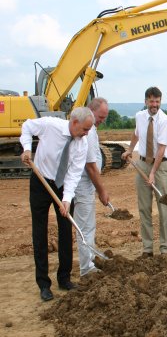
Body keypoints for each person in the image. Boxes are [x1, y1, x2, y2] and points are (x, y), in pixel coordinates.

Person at [20, 107, 94, 301]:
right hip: (40, 180)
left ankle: (64, 278)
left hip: (62, 186)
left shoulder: (82, 143)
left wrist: (66, 200)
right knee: (40, 232)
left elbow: (74, 173)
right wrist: (27, 148)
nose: (87, 133)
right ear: (75, 122)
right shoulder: (50, 125)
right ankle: (44, 284)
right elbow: (27, 126)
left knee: (65, 229)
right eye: (85, 129)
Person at [121, 87, 167, 257]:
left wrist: (152, 173)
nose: (154, 105)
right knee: (144, 208)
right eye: (151, 101)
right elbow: (136, 134)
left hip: (161, 167)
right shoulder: (140, 117)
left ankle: (165, 248)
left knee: (164, 207)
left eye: (157, 101)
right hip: (142, 165)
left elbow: (161, 148)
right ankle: (147, 248)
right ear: (146, 101)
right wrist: (130, 149)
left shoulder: (164, 120)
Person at [73, 98, 110, 276]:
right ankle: (86, 268)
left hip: (87, 183)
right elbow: (90, 165)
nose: (102, 120)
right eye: (100, 116)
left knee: (89, 225)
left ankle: (91, 260)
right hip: (83, 184)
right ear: (91, 110)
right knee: (85, 227)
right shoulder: (89, 131)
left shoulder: (92, 129)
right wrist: (102, 191)